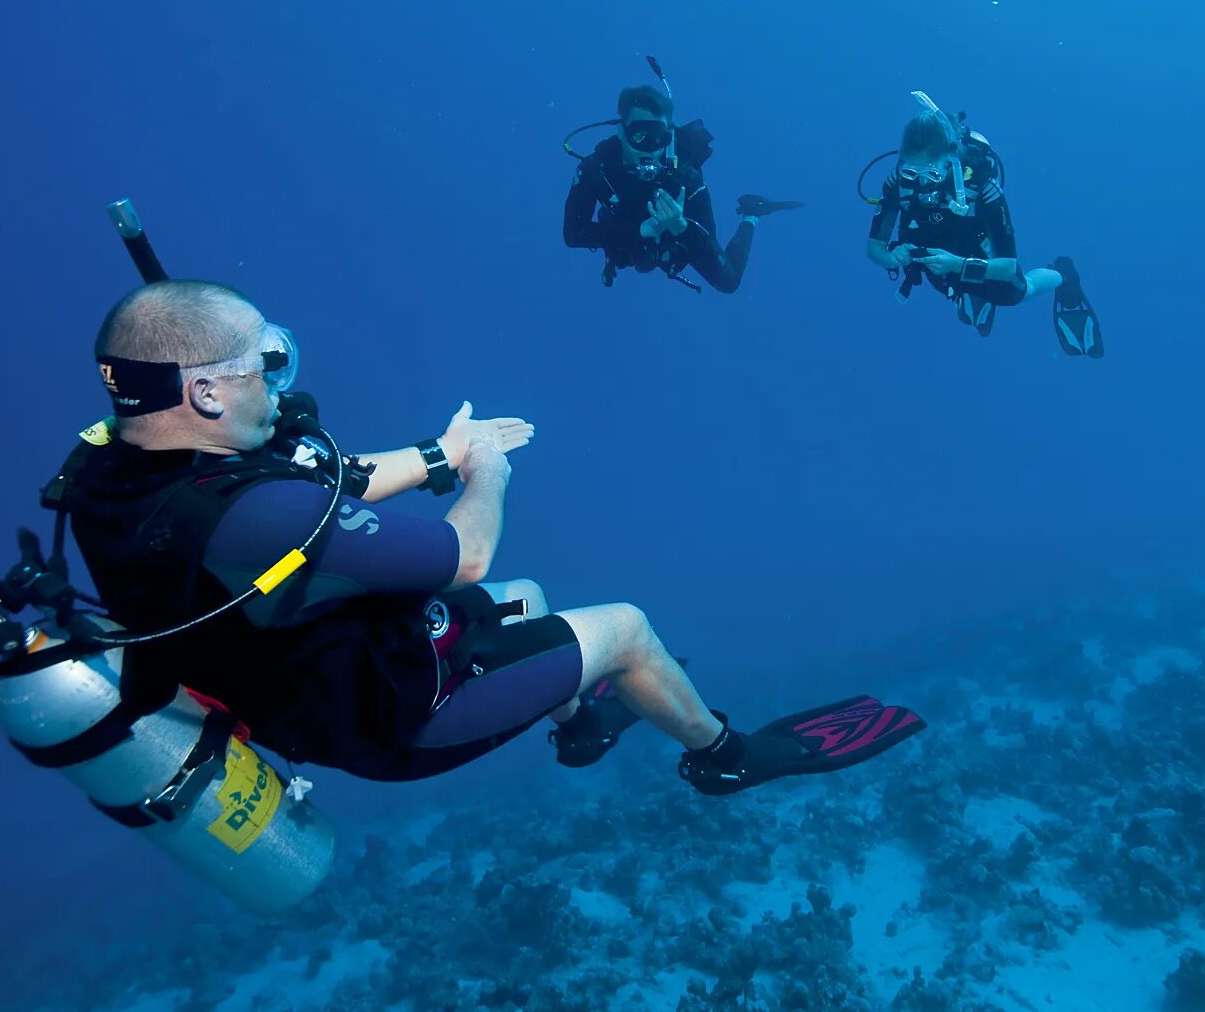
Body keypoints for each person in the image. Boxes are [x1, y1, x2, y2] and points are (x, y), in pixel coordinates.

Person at [56, 279, 921, 793]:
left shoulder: (111, 467)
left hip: (294, 682)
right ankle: (727, 760)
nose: (283, 386)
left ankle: (581, 728)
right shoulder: (257, 512)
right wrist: (484, 473)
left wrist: (441, 450)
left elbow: (328, 476)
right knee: (621, 625)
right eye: (267, 364)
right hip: (384, 719)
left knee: (528, 604)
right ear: (205, 393)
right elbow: (459, 555)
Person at [864, 93, 1104, 353]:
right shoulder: (898, 182)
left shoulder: (982, 186)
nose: (922, 183)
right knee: (947, 284)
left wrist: (957, 263)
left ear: (951, 160)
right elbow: (874, 247)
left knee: (1018, 294)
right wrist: (891, 258)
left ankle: (1064, 275)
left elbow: (1007, 267)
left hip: (980, 254)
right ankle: (967, 293)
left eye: (932, 173)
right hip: (935, 259)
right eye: (911, 171)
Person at [563, 82, 800, 294]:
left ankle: (752, 214)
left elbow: (715, 255)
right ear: (621, 132)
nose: (650, 150)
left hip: (673, 243)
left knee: (729, 283)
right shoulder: (596, 170)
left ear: (669, 138)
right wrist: (639, 232)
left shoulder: (686, 177)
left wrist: (680, 227)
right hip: (626, 240)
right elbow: (573, 234)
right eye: (640, 136)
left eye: (659, 139)